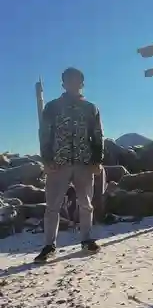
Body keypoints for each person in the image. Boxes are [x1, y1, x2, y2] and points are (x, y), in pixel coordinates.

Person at [34, 67, 104, 263]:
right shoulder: (52, 107)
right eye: (69, 81)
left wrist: (97, 161)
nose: (74, 84)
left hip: (84, 162)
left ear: (82, 84)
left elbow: (97, 135)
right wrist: (46, 161)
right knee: (52, 206)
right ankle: (49, 246)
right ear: (63, 84)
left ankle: (86, 240)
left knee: (86, 204)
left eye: (77, 81)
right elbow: (44, 134)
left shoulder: (91, 108)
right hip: (58, 163)